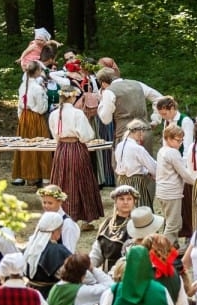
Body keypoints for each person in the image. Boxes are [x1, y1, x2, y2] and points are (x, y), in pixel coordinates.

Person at [49, 86, 104, 223]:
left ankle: (61, 214)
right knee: (81, 180)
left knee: (62, 180)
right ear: (73, 97)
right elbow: (86, 135)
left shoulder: (54, 114)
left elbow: (54, 135)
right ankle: (82, 216)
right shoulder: (77, 113)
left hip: (61, 149)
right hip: (76, 149)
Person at [97, 66, 164, 155]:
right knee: (147, 166)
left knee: (125, 167)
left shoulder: (109, 92)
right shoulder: (137, 84)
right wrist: (155, 120)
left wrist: (101, 102)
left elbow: (106, 119)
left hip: (126, 136)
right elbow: (160, 98)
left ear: (103, 83)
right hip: (145, 133)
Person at [14, 61, 52, 187]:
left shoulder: (22, 85)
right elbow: (42, 108)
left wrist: (22, 118)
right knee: (41, 145)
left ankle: (30, 176)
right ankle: (43, 177)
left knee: (26, 145)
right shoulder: (37, 88)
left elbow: (20, 105)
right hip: (35, 118)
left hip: (24, 117)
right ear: (36, 72)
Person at [155, 124, 196, 241]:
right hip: (171, 193)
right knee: (173, 225)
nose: (180, 143)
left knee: (171, 222)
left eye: (181, 141)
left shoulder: (162, 150)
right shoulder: (172, 153)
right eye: (178, 140)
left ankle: (172, 248)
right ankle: (165, 255)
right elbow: (185, 174)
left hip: (163, 192)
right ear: (168, 138)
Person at [92, 186, 139, 272]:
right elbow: (96, 251)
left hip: (125, 271)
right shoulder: (107, 223)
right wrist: (89, 267)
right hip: (105, 273)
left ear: (134, 202)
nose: (125, 202)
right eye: (121, 199)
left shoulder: (137, 224)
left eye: (129, 199)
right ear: (116, 202)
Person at [23, 211, 72, 291]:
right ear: (54, 231)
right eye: (59, 229)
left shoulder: (29, 248)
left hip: (30, 293)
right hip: (51, 294)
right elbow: (74, 274)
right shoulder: (57, 251)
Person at [115, 120, 158, 209]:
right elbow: (153, 167)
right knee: (139, 210)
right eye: (142, 132)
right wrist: (153, 173)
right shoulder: (137, 149)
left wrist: (146, 172)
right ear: (139, 132)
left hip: (122, 182)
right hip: (136, 183)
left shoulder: (119, 145)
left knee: (124, 208)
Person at [38, 184, 81, 252]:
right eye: (44, 202)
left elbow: (69, 251)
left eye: (50, 203)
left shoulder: (67, 224)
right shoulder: (45, 217)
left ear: (60, 202)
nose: (46, 206)